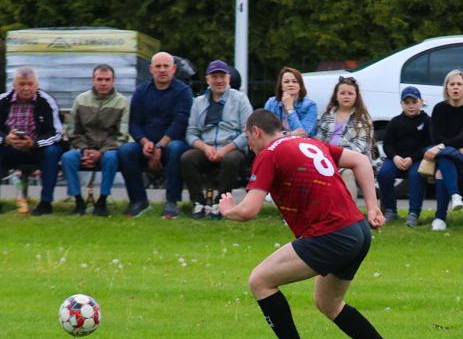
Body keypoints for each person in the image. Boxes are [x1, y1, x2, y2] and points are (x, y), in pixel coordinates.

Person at [217, 109, 408, 339]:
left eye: (248, 137)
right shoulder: (309, 142)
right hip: (358, 231)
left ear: (256, 132)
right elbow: (361, 160)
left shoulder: (268, 155)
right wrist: (372, 207)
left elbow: (249, 210)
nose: (250, 146)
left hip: (332, 234)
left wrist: (229, 210)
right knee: (327, 303)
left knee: (260, 280)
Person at [118, 52, 193, 218]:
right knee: (125, 151)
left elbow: (181, 121)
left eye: (166, 66)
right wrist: (146, 143)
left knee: (175, 149)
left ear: (173, 69)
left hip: (172, 144)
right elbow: (133, 123)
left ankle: (171, 202)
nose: (162, 70)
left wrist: (160, 145)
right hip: (146, 146)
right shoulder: (141, 91)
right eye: (158, 66)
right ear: (151, 69)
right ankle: (139, 201)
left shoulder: (183, 91)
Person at [180, 60, 253, 220]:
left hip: (232, 148)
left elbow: (247, 132)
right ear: (207, 79)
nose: (218, 81)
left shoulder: (240, 99)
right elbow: (191, 133)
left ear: (228, 78)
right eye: (214, 77)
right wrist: (205, 148)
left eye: (222, 76)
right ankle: (198, 203)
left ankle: (219, 204)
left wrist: (226, 149)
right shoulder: (199, 102)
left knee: (231, 161)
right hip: (207, 148)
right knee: (187, 158)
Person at [60, 64, 130, 217]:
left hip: (108, 150)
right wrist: (85, 150)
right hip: (84, 149)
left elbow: (122, 135)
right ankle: (78, 201)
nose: (103, 83)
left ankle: (102, 201)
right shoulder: (81, 100)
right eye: (99, 79)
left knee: (111, 158)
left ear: (113, 81)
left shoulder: (122, 102)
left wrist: (101, 152)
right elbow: (73, 131)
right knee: (67, 158)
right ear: (93, 80)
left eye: (107, 80)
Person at [424, 69, 463, 231]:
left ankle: (440, 217)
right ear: (446, 88)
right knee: (443, 163)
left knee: (443, 157)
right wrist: (457, 148)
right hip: (451, 155)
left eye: (459, 84)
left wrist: (445, 147)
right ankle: (453, 198)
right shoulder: (439, 109)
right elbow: (435, 136)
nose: (455, 87)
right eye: (452, 84)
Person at [0, 67, 63, 216]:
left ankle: (46, 203)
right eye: (21, 84)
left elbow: (56, 133)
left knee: (52, 151)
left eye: (30, 84)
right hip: (10, 149)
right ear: (14, 85)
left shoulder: (47, 101)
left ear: (37, 85)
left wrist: (34, 143)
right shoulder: (2, 101)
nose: (26, 88)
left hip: (37, 150)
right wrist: (5, 139)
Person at [378, 86, 431, 226]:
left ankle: (413, 213)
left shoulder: (427, 121)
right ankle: (390, 210)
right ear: (401, 104)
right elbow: (387, 144)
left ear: (421, 102)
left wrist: (412, 159)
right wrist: (395, 157)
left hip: (417, 159)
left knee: (417, 175)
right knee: (383, 174)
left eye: (414, 102)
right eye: (407, 103)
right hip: (396, 159)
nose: (411, 106)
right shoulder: (395, 121)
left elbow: (428, 145)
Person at [316, 76, 375, 204]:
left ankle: (349, 213)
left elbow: (362, 147)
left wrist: (339, 158)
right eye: (342, 93)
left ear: (356, 96)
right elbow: (318, 140)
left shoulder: (363, 118)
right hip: (327, 158)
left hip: (352, 161)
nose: (346, 96)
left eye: (350, 93)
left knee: (347, 173)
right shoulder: (327, 116)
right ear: (336, 96)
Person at [263, 67, 317, 137]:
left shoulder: (310, 105)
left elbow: (302, 135)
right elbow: (266, 131)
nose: (290, 84)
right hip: (277, 144)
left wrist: (289, 108)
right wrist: (288, 134)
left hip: (301, 145)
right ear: (281, 86)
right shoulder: (271, 103)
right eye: (286, 82)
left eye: (294, 81)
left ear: (300, 86)